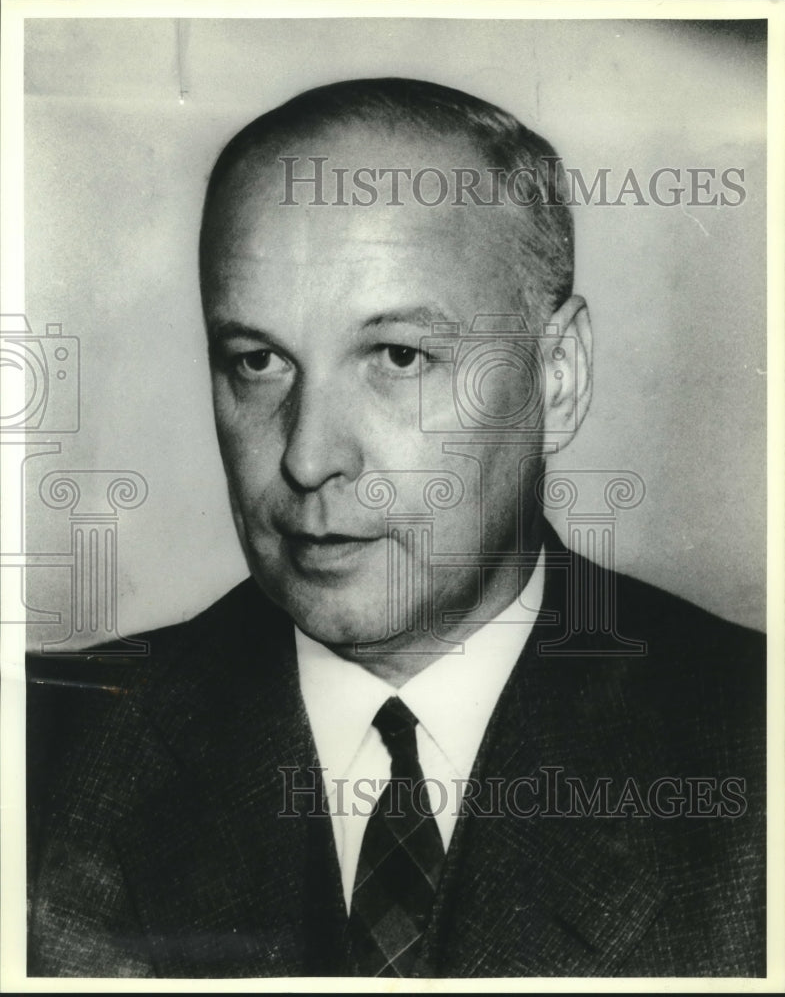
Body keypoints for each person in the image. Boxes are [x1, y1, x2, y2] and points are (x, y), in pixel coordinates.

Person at [26, 78, 765, 979]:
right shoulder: (37, 756)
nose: (307, 458)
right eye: (257, 361)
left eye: (399, 357)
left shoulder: (749, 750)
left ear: (557, 377)